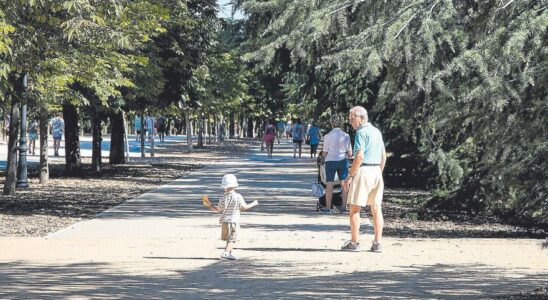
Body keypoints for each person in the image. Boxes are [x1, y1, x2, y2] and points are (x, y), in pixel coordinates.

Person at [341, 106, 387, 252]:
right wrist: (378, 172)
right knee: (376, 208)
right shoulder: (376, 131)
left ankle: (354, 243)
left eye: (352, 118)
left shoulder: (361, 132)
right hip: (376, 171)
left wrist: (349, 176)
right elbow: (383, 156)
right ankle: (377, 243)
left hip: (364, 170)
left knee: (355, 208)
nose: (350, 122)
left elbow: (359, 157)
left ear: (361, 117)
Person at [205, 174, 258, 260]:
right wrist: (254, 203)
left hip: (224, 221)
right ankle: (226, 253)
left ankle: (230, 252)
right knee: (232, 238)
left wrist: (209, 205)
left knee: (229, 238)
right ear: (234, 186)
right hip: (234, 220)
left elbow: (218, 210)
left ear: (224, 186)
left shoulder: (222, 198)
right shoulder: (238, 196)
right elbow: (244, 207)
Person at [321, 114, 352, 214]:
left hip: (330, 161)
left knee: (329, 184)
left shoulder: (328, 136)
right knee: (344, 184)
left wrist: (322, 159)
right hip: (343, 160)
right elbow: (350, 153)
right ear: (341, 123)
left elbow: (325, 151)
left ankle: (328, 207)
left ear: (331, 123)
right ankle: (344, 207)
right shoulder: (346, 136)